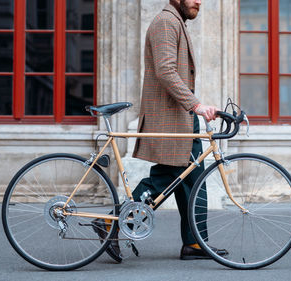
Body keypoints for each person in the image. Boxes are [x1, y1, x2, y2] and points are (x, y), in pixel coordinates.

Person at [95, 0, 226, 261]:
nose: (198, 1)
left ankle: (195, 243)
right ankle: (112, 222)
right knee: (168, 176)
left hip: (181, 119)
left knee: (193, 180)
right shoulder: (166, 22)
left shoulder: (175, 21)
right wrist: (196, 105)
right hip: (171, 119)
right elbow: (166, 71)